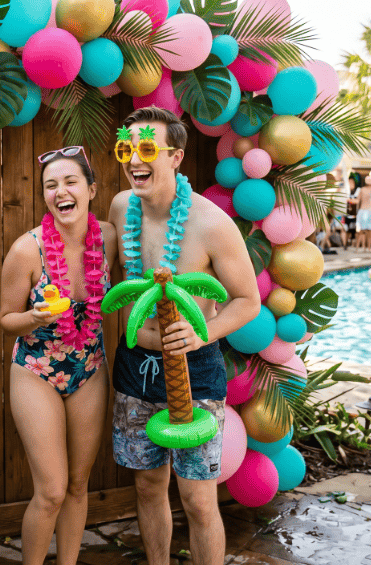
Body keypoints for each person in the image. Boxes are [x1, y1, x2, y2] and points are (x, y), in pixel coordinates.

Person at [108, 107, 259, 565]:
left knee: (197, 497)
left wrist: (201, 336)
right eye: (127, 148)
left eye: (148, 149)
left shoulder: (211, 224)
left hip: (195, 370)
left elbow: (247, 300)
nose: (136, 159)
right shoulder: (119, 207)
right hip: (135, 367)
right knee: (148, 487)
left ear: (175, 157)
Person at [0, 145, 118, 565]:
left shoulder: (108, 237)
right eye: (51, 185)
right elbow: (5, 319)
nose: (60, 192)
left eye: (70, 182)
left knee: (78, 486)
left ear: (91, 189)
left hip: (90, 369)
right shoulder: (26, 250)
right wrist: (32, 315)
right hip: (36, 370)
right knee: (50, 491)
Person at [354, 175, 371, 252]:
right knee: (360, 231)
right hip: (363, 210)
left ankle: (369, 248)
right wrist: (349, 199)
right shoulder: (362, 189)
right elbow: (357, 200)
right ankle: (358, 248)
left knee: (370, 231)